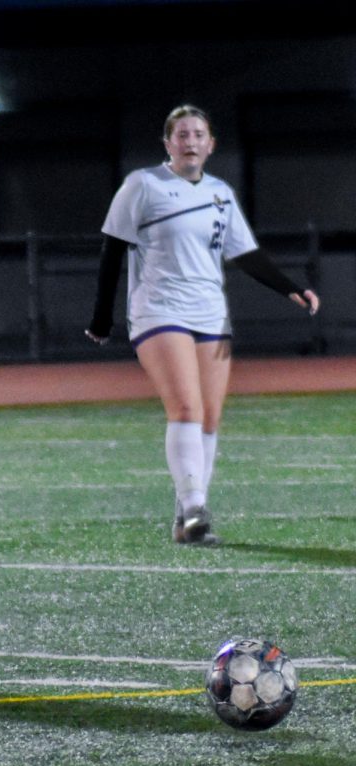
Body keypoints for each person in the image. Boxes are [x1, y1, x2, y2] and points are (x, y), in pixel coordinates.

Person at [87, 105, 319, 545]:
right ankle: (195, 508)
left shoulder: (219, 193)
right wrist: (102, 317)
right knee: (187, 408)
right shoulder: (143, 184)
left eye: (198, 134)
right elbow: (113, 249)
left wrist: (290, 288)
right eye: (181, 134)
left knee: (209, 417)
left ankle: (185, 521)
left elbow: (244, 253)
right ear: (167, 143)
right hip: (158, 311)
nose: (190, 141)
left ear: (211, 144)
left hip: (210, 312)